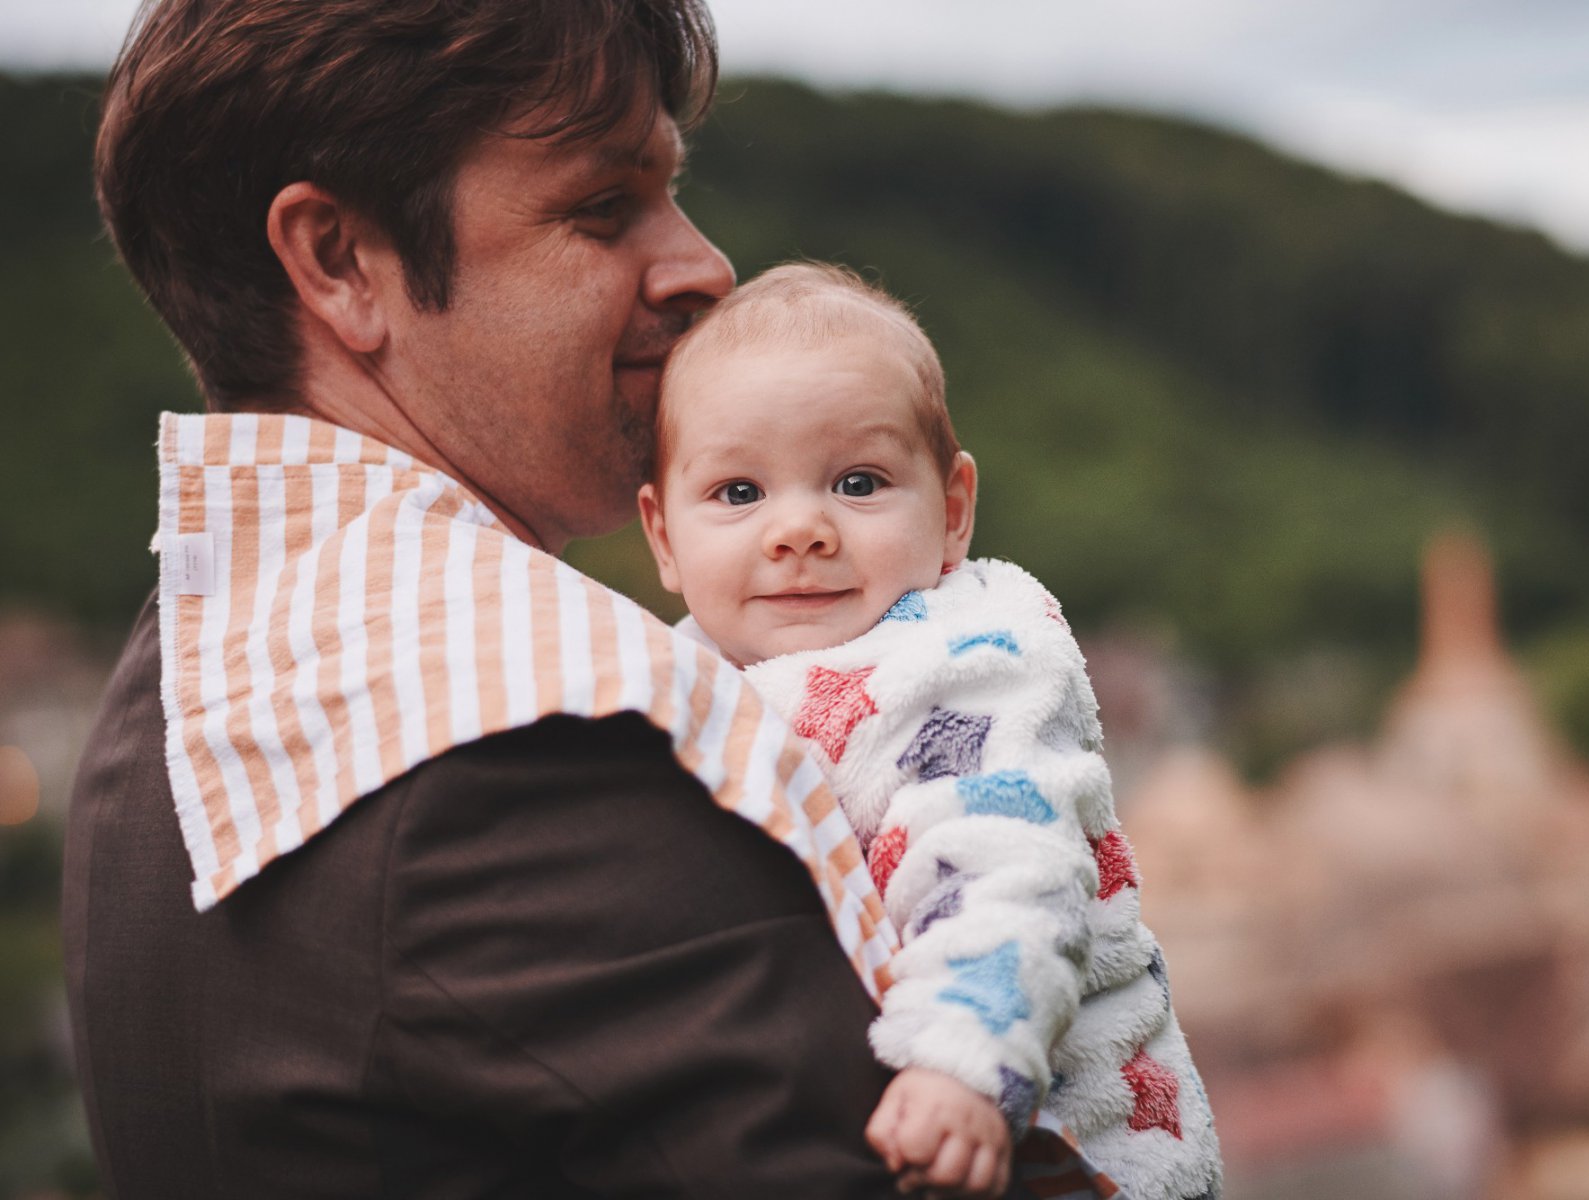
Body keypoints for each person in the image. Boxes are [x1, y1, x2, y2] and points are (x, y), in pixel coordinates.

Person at [61, 3, 963, 1196]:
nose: (704, 266)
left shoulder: (170, 700)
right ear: (339, 261)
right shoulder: (536, 729)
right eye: (604, 205)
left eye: (672, 191)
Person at [637, 263, 1226, 1200]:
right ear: (664, 536)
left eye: (858, 482)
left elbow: (1011, 867)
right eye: (739, 492)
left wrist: (963, 1061)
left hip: (1062, 1135)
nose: (800, 530)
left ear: (952, 513)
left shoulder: (967, 666)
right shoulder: (673, 674)